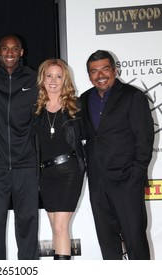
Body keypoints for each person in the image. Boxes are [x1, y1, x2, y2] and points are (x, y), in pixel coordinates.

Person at [80, 50, 154, 260]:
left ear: (115, 70)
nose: (100, 75)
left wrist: (136, 175)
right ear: (89, 75)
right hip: (98, 182)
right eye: (94, 71)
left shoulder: (133, 96)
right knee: (107, 242)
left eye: (105, 69)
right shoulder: (84, 99)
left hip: (127, 182)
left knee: (135, 240)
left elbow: (144, 139)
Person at [0, 34, 39, 260]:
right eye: (5, 48)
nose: (10, 53)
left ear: (22, 52)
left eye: (15, 49)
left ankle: (29, 269)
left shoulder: (34, 79)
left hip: (26, 164)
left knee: (27, 222)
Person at [32, 58, 85, 260]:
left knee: (61, 227)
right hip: (45, 174)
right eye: (49, 75)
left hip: (69, 171)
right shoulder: (35, 108)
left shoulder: (76, 106)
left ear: (65, 80)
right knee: (55, 227)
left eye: (59, 76)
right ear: (42, 78)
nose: (53, 80)